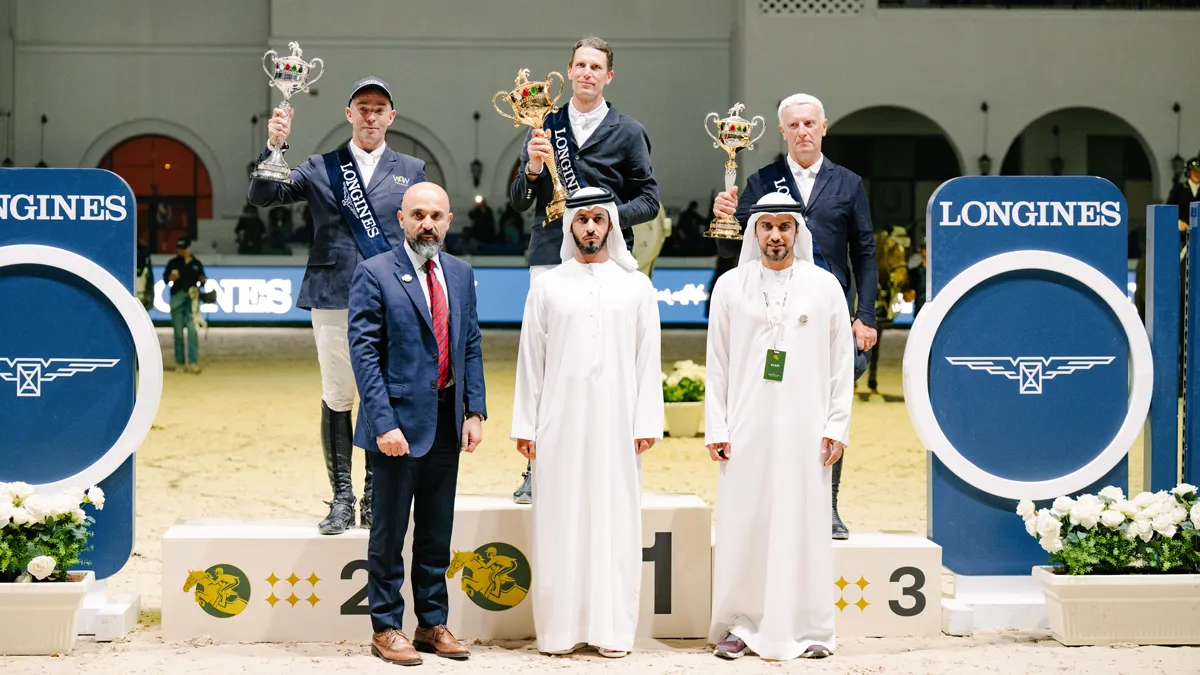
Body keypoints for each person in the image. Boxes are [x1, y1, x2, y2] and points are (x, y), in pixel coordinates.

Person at [248, 76, 426, 535]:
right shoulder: (321, 166)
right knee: (338, 395)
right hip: (333, 293)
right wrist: (275, 148)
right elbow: (264, 196)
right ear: (349, 114)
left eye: (379, 108)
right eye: (362, 107)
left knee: (380, 398)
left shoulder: (412, 168)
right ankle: (342, 497)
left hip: (391, 299)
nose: (370, 116)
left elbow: (425, 234)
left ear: (391, 116)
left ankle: (372, 498)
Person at [711, 92, 875, 540]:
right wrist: (725, 218)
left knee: (828, 411)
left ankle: (828, 507)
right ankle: (768, 505)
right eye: (794, 126)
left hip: (829, 314)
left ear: (824, 128)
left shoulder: (849, 183)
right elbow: (734, 250)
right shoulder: (761, 181)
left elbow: (864, 251)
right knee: (770, 412)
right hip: (771, 316)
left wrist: (866, 315)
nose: (803, 132)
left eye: (810, 124)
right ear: (782, 132)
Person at [507, 35, 660, 504]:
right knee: (545, 359)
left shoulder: (629, 131)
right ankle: (537, 464)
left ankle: (612, 456)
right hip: (550, 253)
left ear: (608, 75)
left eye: (597, 67)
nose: (588, 73)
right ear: (568, 72)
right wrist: (532, 169)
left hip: (610, 258)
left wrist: (607, 215)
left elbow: (650, 200)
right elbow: (517, 200)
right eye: (580, 65)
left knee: (611, 361)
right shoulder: (543, 125)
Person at [511, 186, 663, 658]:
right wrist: (526, 425)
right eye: (582, 220)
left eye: (599, 219)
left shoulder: (636, 286)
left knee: (616, 524)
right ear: (569, 225)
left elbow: (647, 358)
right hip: (559, 423)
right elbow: (530, 360)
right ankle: (559, 631)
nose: (591, 227)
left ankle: (613, 631)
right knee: (560, 521)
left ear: (612, 225)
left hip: (619, 426)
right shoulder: (548, 285)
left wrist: (646, 422)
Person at [705, 192, 853, 661]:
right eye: (765, 226)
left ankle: (811, 627)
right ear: (754, 232)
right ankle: (741, 626)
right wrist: (717, 426)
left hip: (807, 427)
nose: (774, 235)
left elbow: (841, 364)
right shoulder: (730, 286)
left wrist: (837, 424)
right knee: (745, 524)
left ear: (796, 232)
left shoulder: (825, 285)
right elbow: (718, 362)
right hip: (746, 427)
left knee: (805, 523)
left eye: (783, 226)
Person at [348, 182, 485, 666]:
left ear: (449, 221)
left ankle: (431, 624)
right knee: (386, 535)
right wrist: (383, 423)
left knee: (435, 533)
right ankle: (386, 627)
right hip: (395, 430)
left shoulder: (461, 273)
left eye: (437, 216)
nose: (428, 224)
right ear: (402, 220)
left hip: (447, 423)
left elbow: (470, 343)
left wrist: (474, 410)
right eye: (419, 215)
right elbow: (363, 355)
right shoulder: (374, 272)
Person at [163, 237, 206, 373]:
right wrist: (171, 278)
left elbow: (203, 280)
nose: (181, 251)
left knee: (192, 332)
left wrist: (202, 280)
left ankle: (193, 362)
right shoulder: (173, 263)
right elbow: (165, 279)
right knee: (178, 333)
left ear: (188, 248)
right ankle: (180, 363)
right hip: (177, 298)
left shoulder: (196, 263)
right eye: (179, 249)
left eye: (183, 248)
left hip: (191, 300)